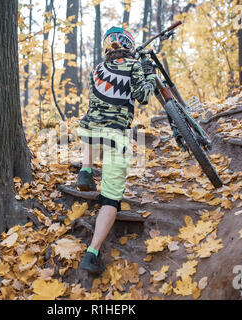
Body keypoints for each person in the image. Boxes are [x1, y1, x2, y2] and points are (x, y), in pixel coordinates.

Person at [77, 26, 156, 275]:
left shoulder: (96, 70)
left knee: (90, 128)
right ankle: (92, 253)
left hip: (89, 132)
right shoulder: (133, 66)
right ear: (128, 45)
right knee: (110, 198)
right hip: (115, 137)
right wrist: (149, 75)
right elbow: (142, 97)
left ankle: (86, 171)